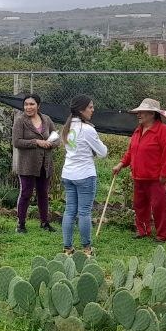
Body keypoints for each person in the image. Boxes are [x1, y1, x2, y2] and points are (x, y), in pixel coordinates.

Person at [112, 98, 166, 242]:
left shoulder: (164, 131)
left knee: (159, 207)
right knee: (140, 206)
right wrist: (121, 164)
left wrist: (164, 174)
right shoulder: (138, 131)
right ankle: (143, 231)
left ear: (152, 114)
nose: (138, 115)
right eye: (138, 112)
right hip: (138, 177)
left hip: (156, 178)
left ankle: (162, 235)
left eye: (142, 112)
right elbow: (131, 152)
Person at [59, 94, 109, 256]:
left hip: (68, 174)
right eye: (90, 107)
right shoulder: (87, 129)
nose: (93, 110)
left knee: (69, 211)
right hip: (85, 175)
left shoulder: (67, 128)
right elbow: (103, 152)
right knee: (84, 212)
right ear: (81, 110)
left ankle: (68, 248)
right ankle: (87, 249)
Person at [12, 94, 58, 233]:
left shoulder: (46, 119)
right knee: (26, 193)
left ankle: (44, 222)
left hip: (45, 163)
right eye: (26, 104)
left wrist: (51, 143)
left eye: (31, 104)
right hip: (27, 164)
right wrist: (36, 142)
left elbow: (56, 137)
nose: (28, 107)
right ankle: (21, 224)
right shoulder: (20, 121)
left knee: (43, 193)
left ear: (38, 105)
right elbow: (17, 142)